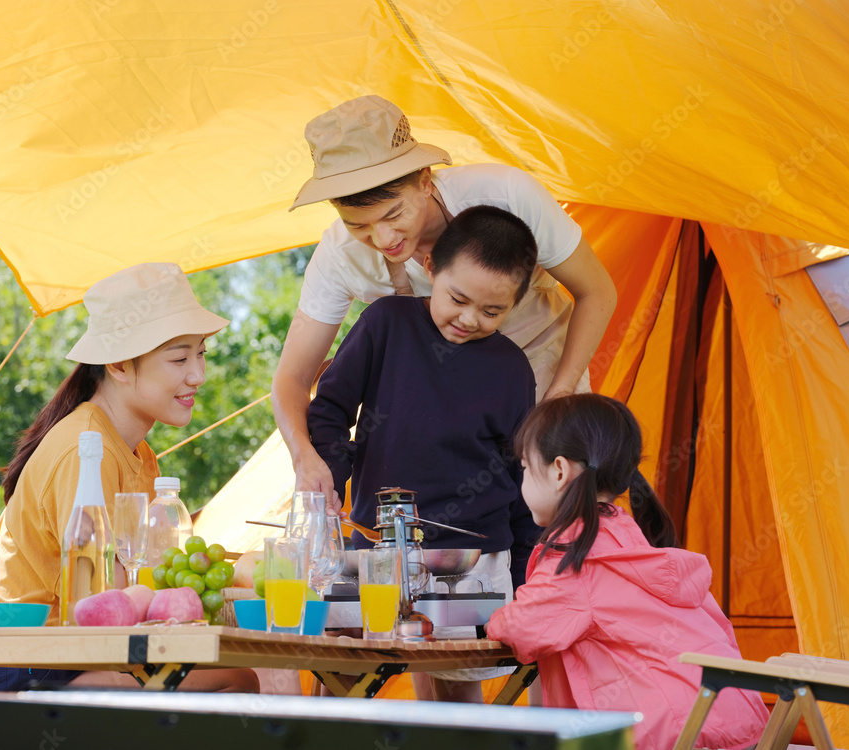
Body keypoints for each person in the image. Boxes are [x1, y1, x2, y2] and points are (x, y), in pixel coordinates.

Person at [274, 94, 617, 509]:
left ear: (424, 179)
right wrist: (304, 457)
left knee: (559, 514)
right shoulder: (338, 255)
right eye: (359, 225)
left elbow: (597, 290)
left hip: (543, 372)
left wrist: (559, 396)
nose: (383, 240)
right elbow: (291, 378)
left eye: (393, 214)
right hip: (439, 408)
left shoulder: (507, 194)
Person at [0, 262, 258, 695]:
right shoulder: (85, 448)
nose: (198, 375)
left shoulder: (140, 455)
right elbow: (107, 603)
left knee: (230, 677)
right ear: (118, 364)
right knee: (236, 682)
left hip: (69, 654)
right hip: (18, 662)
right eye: (179, 358)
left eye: (201, 354)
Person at [308, 205, 539, 702]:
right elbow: (328, 409)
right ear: (431, 268)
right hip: (374, 556)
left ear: (515, 305)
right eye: (458, 298)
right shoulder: (385, 325)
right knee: (341, 679)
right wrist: (333, 475)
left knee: (456, 702)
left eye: (492, 311)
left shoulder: (513, 370)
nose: (469, 319)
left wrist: (526, 579)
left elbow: (523, 480)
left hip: (474, 564)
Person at [486, 394, 768, 749]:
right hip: (732, 720)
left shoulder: (577, 554)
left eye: (525, 468)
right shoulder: (627, 540)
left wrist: (493, 618)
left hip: (667, 736)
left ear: (559, 471)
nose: (522, 481)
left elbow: (526, 629)